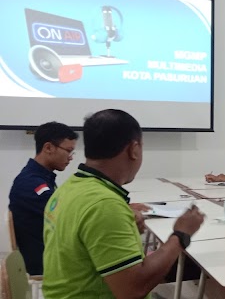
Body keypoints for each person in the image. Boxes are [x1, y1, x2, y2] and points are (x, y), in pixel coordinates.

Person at [42, 109, 205, 298]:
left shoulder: (69, 188)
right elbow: (133, 290)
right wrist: (180, 235)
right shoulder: (104, 205)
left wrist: (123, 223)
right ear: (133, 149)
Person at [8, 122, 78, 275]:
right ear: (48, 148)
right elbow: (66, 213)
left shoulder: (42, 178)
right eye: (68, 151)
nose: (71, 158)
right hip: (45, 265)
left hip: (52, 256)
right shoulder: (31, 183)